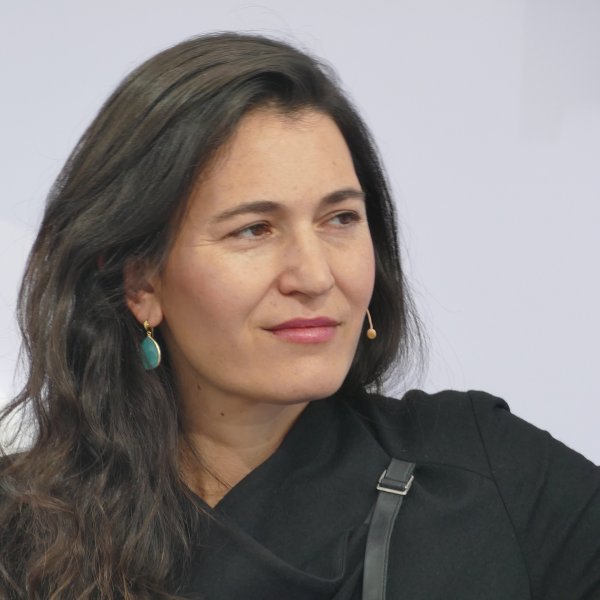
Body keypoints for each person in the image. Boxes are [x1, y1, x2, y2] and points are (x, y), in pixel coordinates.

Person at [0, 32, 598, 600]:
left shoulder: (490, 471)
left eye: (340, 219)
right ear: (140, 282)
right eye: (254, 229)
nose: (315, 276)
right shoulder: (19, 531)